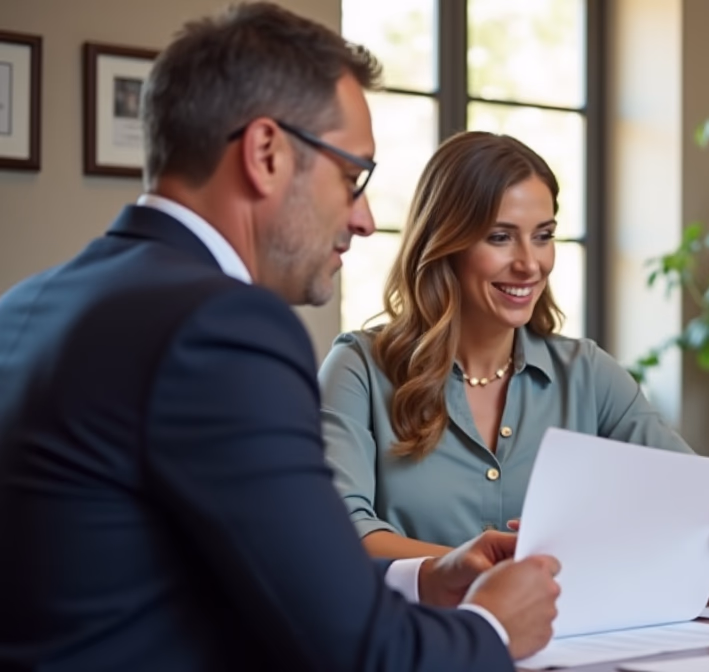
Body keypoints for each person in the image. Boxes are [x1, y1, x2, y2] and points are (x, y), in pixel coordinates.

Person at [0, 4, 560, 671]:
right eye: (352, 178)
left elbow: (261, 577)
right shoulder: (224, 328)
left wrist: (427, 579)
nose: (365, 219)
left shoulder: (29, 302)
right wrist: (493, 628)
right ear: (266, 153)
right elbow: (360, 653)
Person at [320, 130, 694, 562]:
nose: (529, 264)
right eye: (500, 237)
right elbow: (342, 530)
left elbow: (693, 499)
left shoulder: (588, 374)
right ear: (445, 242)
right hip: (415, 627)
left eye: (543, 235)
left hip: (573, 629)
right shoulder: (359, 369)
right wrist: (469, 570)